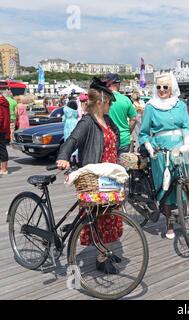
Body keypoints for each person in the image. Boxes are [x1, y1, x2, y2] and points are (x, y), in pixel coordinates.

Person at [56, 77, 122, 274]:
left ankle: (105, 250)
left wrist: (123, 153)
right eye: (110, 102)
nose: (111, 105)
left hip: (109, 175)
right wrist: (63, 157)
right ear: (101, 101)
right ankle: (102, 256)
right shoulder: (87, 121)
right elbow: (72, 140)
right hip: (95, 177)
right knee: (99, 216)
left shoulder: (107, 119)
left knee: (110, 213)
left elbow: (116, 136)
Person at [139, 73, 189, 240]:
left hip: (179, 148)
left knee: (183, 183)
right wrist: (148, 146)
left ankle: (183, 216)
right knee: (166, 187)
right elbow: (144, 132)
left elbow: (186, 126)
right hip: (160, 150)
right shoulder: (150, 107)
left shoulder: (180, 105)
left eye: (165, 87)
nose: (162, 90)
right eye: (159, 87)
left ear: (171, 88)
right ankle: (169, 223)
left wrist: (186, 142)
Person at [106, 73, 137, 155]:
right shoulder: (126, 99)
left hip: (108, 138)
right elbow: (134, 119)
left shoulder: (103, 99)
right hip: (124, 138)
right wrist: (129, 131)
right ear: (118, 84)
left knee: (108, 166)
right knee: (122, 166)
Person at [0, 95, 10, 175]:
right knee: (2, 148)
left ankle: (3, 169)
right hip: (4, 128)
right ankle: (4, 167)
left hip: (1, 128)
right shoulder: (5, 102)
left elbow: (0, 117)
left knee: (1, 148)